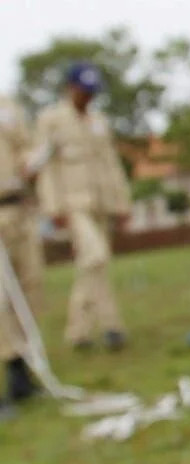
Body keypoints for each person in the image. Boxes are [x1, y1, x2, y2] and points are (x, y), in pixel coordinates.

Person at [35, 61, 131, 352]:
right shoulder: (51, 120)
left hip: (101, 204)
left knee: (92, 264)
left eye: (91, 92)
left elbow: (111, 165)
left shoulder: (99, 122)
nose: (87, 97)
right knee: (96, 256)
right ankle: (111, 325)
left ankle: (80, 331)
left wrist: (122, 202)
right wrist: (53, 208)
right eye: (82, 91)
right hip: (73, 205)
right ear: (70, 88)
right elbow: (46, 166)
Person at [0, 94, 44, 417]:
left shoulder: (8, 105)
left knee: (29, 288)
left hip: (18, 208)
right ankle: (13, 365)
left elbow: (25, 145)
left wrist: (31, 161)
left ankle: (22, 372)